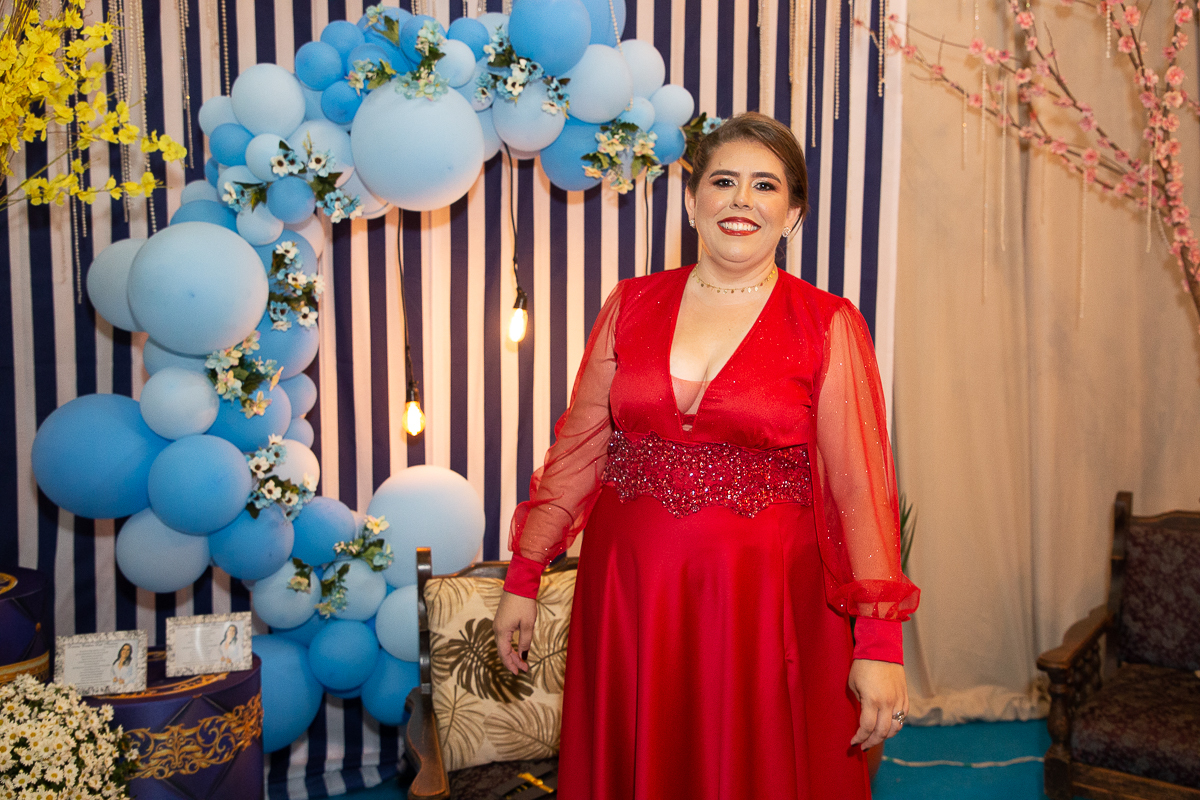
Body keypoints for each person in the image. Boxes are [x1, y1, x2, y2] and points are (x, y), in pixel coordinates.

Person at [493, 112, 920, 799]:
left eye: (765, 185)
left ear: (793, 213)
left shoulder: (826, 323)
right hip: (631, 597)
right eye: (723, 182)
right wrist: (524, 575)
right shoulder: (631, 303)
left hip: (762, 609)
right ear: (693, 201)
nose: (741, 199)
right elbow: (579, 449)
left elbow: (858, 494)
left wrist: (878, 644)